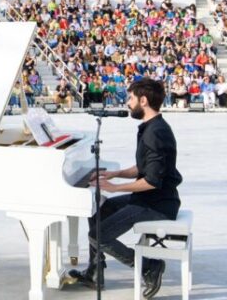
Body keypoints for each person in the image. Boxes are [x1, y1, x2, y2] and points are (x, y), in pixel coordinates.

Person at [67, 78, 182, 299]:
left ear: (144, 100)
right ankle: (94, 272)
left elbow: (151, 181)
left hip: (158, 204)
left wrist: (115, 187)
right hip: (150, 199)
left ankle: (149, 267)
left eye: (130, 98)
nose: (128, 102)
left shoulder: (155, 133)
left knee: (97, 236)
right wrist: (114, 174)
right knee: (100, 210)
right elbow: (144, 168)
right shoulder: (152, 127)